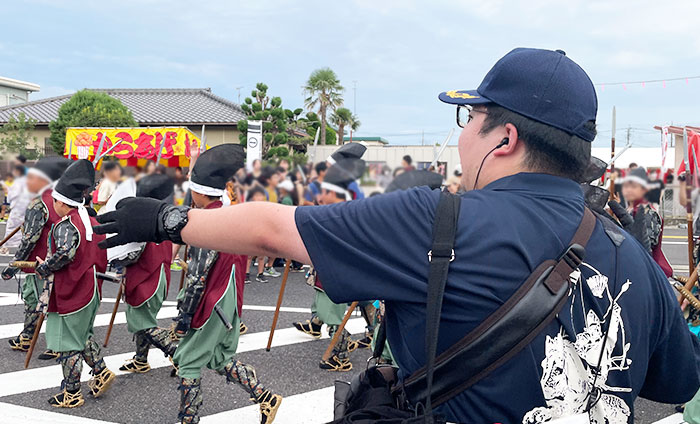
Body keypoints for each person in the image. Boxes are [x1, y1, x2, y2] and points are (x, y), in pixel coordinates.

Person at [96, 48, 700, 423]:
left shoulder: (437, 220)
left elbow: (272, 227)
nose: (464, 137)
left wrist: (167, 220)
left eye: (471, 119)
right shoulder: (634, 258)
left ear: (505, 138)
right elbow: (677, 380)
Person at [169, 144, 282, 424]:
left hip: (213, 298)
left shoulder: (207, 221)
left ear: (198, 191)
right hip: (228, 298)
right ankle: (265, 396)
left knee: (188, 360)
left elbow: (197, 276)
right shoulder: (228, 214)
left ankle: (188, 419)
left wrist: (184, 316)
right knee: (218, 358)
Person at [36, 159, 114, 408]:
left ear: (61, 202)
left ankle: (72, 393)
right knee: (81, 335)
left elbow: (65, 255)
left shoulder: (65, 225)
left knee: (68, 345)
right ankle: (101, 372)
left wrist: (44, 266)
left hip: (73, 288)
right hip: (91, 287)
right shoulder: (93, 222)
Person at [293, 157, 366, 371]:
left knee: (333, 311)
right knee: (331, 307)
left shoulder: (346, 200)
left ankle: (341, 353)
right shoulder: (338, 195)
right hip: (329, 263)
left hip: (336, 266)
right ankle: (346, 342)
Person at [1, 157, 72, 359]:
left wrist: (13, 265)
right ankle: (27, 335)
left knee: (41, 300)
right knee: (38, 300)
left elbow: (30, 239)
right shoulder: (66, 200)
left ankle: (57, 343)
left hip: (39, 262)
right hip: (60, 260)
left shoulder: (39, 203)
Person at [111, 174, 178, 374]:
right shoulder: (164, 217)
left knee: (143, 323)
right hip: (160, 275)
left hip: (146, 277)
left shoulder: (141, 219)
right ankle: (141, 359)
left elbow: (133, 253)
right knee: (144, 319)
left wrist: (115, 260)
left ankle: (177, 353)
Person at [609, 167, 673, 277]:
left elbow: (643, 246)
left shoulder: (648, 213)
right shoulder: (628, 210)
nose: (629, 190)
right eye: (627, 186)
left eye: (634, 187)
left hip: (648, 269)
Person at [2, 164, 30, 252]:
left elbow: (12, 196)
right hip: (25, 207)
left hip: (18, 208)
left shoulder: (18, 182)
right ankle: (22, 247)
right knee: (24, 228)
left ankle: (5, 247)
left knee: (11, 227)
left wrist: (8, 192)